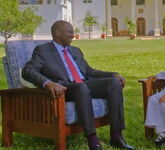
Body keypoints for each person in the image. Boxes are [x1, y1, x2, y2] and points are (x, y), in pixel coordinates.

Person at [22, 20, 134, 150]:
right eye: (70, 32)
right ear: (57, 33)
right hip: (66, 88)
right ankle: (93, 141)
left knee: (113, 83)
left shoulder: (75, 50)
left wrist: (113, 74)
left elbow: (89, 71)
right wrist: (48, 83)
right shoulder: (43, 50)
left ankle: (116, 136)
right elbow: (28, 71)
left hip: (85, 83)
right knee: (81, 87)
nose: (73, 35)